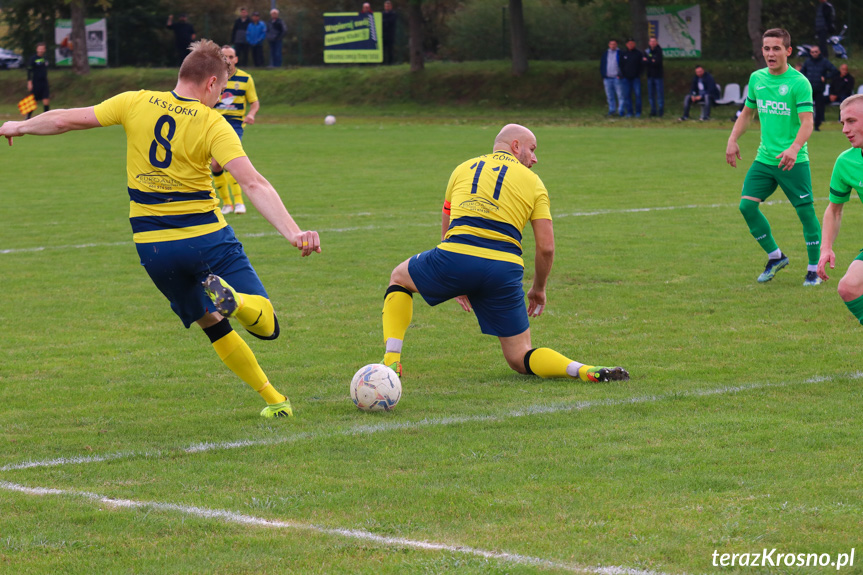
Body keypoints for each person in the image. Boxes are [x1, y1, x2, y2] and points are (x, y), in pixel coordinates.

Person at [0, 39, 321, 418]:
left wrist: (19, 125)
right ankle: (239, 300)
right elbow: (252, 183)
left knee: (212, 325)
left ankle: (274, 399)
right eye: (221, 91)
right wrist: (293, 232)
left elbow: (65, 118)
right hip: (206, 238)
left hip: (154, 248)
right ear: (212, 83)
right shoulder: (213, 123)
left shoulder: (134, 101)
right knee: (267, 326)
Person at [380, 124, 629, 385]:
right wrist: (538, 288)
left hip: (458, 256)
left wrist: (455, 280)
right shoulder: (534, 183)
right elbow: (546, 247)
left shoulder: (462, 168)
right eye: (532, 149)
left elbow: (448, 226)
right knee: (520, 357)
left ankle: (391, 362)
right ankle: (583, 370)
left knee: (399, 278)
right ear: (515, 146)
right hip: (504, 268)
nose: (535, 158)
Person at [726, 28, 822, 287]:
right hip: (765, 159)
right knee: (746, 206)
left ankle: (814, 269)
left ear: (788, 51)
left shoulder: (799, 83)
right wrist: (733, 139)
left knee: (806, 214)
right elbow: (747, 114)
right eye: (766, 48)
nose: (770, 53)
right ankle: (775, 256)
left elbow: (807, 123)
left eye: (776, 48)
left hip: (794, 160)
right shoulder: (757, 78)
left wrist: (793, 148)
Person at [817, 95, 863, 322]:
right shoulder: (846, 162)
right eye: (843, 123)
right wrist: (826, 247)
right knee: (848, 287)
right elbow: (834, 210)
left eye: (851, 121)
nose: (845, 129)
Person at [213, 45, 259, 215]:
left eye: (231, 56)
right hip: (214, 123)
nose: (228, 60)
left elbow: (254, 102)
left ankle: (239, 202)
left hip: (234, 124)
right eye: (224, 57)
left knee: (228, 162)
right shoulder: (214, 78)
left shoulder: (246, 79)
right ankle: (227, 204)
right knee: (215, 165)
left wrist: (252, 114)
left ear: (236, 59)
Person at [800, 45, 837, 131]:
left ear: (819, 52)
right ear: (810, 53)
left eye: (816, 52)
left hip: (819, 89)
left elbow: (834, 71)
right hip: (808, 89)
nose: (814, 53)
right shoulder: (807, 62)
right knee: (804, 107)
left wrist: (826, 76)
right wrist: (804, 80)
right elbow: (802, 73)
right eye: (812, 52)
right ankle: (804, 124)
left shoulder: (824, 62)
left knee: (820, 108)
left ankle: (817, 125)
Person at [599, 40, 624, 117]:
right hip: (607, 78)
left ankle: (620, 111)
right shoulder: (605, 54)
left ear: (616, 45)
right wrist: (603, 75)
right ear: (609, 45)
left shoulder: (620, 53)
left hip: (617, 78)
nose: (613, 46)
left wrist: (621, 74)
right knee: (610, 96)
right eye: (611, 44)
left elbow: (623, 65)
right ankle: (612, 110)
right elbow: (602, 65)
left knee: (620, 95)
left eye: (614, 44)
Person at [619, 39, 642, 118]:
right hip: (626, 79)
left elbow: (641, 65)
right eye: (629, 44)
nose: (630, 45)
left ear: (634, 44)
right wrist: (623, 74)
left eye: (632, 44)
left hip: (635, 78)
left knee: (637, 95)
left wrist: (638, 74)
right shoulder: (623, 53)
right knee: (627, 95)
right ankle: (629, 112)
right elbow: (621, 65)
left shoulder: (638, 53)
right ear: (626, 44)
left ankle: (638, 112)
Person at [26, 43, 50, 120]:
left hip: (44, 82)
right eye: (40, 48)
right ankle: (28, 117)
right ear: (37, 49)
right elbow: (29, 71)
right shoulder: (33, 58)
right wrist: (29, 82)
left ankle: (46, 118)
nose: (41, 50)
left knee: (46, 100)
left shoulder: (45, 58)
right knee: (33, 101)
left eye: (43, 48)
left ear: (45, 50)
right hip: (36, 82)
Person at [644, 36, 664, 117]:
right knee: (651, 95)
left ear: (657, 43)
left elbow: (656, 62)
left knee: (659, 95)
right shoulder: (647, 51)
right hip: (649, 76)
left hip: (658, 76)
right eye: (651, 41)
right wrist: (651, 60)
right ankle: (653, 111)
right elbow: (643, 62)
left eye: (654, 41)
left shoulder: (659, 51)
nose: (652, 43)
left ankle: (660, 111)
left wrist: (648, 60)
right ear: (649, 43)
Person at [382, 1, 397, 65]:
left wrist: (384, 21)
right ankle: (383, 62)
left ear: (391, 6)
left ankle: (390, 62)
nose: (387, 7)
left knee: (390, 49)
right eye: (386, 6)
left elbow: (391, 21)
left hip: (390, 34)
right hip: (383, 34)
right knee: (383, 49)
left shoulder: (393, 13)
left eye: (388, 6)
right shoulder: (382, 13)